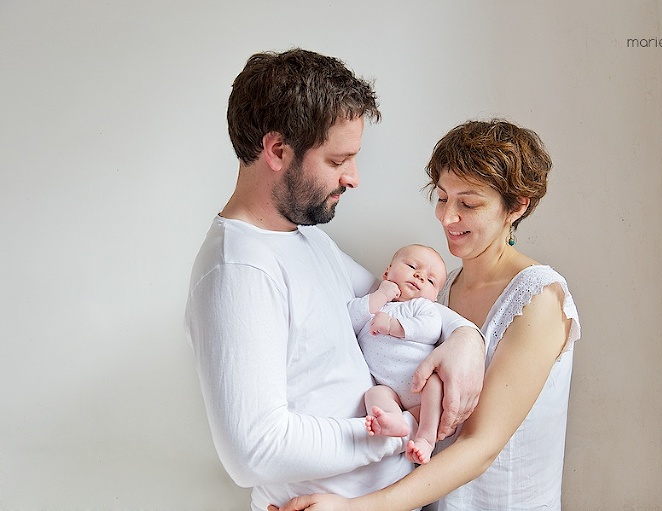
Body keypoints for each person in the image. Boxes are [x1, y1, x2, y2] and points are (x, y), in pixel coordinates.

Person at [184, 48, 485, 511]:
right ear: (278, 151)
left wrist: (465, 338)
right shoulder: (239, 271)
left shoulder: (305, 240)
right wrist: (397, 429)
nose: (354, 178)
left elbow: (398, 302)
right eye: (338, 160)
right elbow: (254, 450)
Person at [270, 119, 582, 511]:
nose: (447, 217)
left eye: (468, 204)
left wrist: (357, 507)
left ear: (516, 207)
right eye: (441, 197)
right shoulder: (441, 289)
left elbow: (480, 446)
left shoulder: (538, 299)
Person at [350, 244, 453, 465]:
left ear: (434, 297)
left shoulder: (422, 308)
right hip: (390, 389)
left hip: (422, 383)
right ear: (387, 272)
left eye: (431, 280)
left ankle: (426, 439)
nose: (420, 276)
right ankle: (394, 420)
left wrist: (394, 325)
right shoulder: (376, 303)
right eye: (413, 266)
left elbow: (430, 328)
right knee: (375, 395)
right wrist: (381, 294)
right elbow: (351, 318)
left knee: (435, 384)